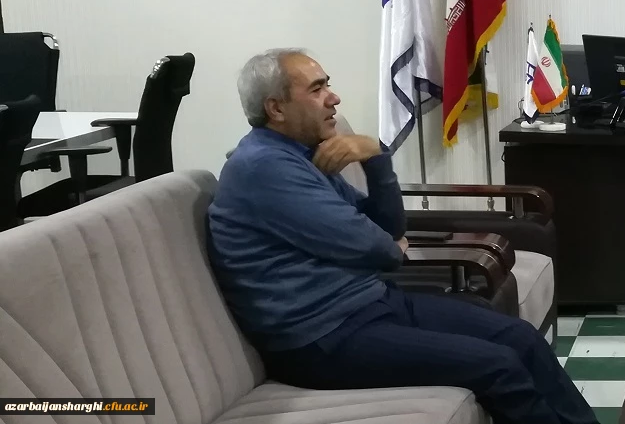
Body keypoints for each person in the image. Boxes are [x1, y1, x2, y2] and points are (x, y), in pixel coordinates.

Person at [207, 48, 596, 424]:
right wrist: (386, 245)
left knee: (521, 338)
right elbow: (378, 248)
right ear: (276, 109)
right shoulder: (264, 168)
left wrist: (376, 157)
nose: (333, 98)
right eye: (316, 89)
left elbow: (388, 229)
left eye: (328, 84)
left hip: (371, 305)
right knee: (499, 366)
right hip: (321, 339)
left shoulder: (302, 155)